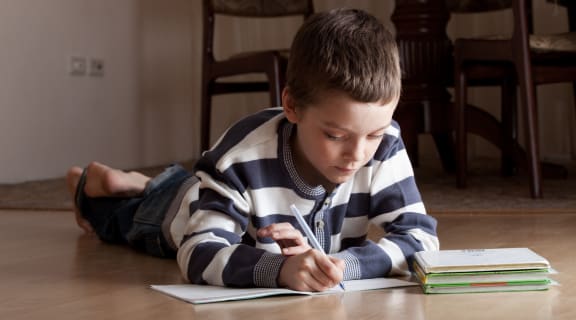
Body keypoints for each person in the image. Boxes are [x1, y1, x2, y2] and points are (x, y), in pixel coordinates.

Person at [66, 8, 439, 292]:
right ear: (291, 107)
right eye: (336, 136)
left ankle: (148, 182)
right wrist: (278, 270)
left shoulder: (384, 142)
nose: (358, 155)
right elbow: (198, 250)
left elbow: (421, 239)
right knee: (138, 220)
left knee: (189, 188)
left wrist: (342, 265)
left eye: (373, 134)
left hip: (221, 195)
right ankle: (97, 189)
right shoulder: (239, 158)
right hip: (178, 216)